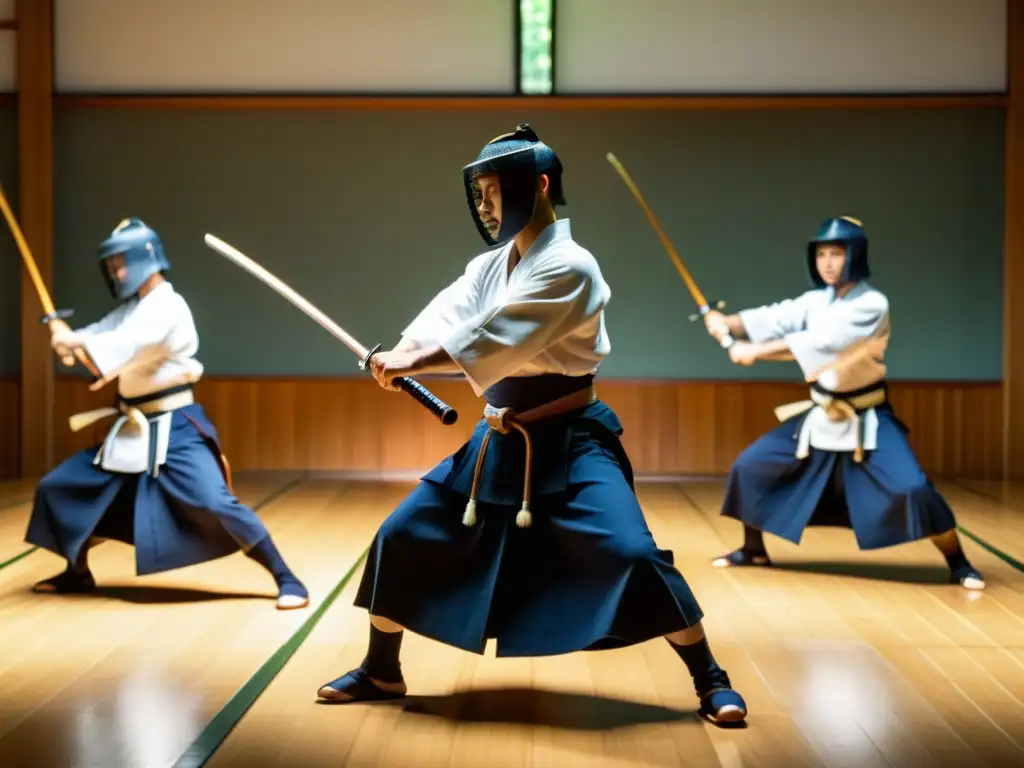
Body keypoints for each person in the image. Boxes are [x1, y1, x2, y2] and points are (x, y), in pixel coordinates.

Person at [316, 124, 748, 725]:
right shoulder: (490, 266)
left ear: (539, 185)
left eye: (496, 191)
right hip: (497, 437)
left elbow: (495, 340)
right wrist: (402, 352)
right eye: (482, 194)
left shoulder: (571, 266)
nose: (488, 206)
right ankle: (382, 669)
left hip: (570, 439)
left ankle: (710, 678)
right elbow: (447, 317)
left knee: (630, 553)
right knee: (401, 535)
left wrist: (413, 362)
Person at [24, 218, 310, 610]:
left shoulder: (168, 307)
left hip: (176, 426)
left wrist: (70, 339)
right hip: (132, 428)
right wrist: (67, 339)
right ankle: (77, 570)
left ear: (146, 257)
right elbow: (97, 338)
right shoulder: (134, 309)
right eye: (112, 266)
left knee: (214, 502)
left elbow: (116, 348)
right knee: (61, 487)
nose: (117, 272)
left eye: (121, 262)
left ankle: (286, 577)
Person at [704, 216, 984, 590]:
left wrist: (753, 351)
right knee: (752, 466)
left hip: (867, 415)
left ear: (855, 256)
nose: (828, 263)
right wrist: (727, 322)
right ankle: (753, 549)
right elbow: (773, 316)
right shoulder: (815, 300)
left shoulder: (872, 304)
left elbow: (823, 342)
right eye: (822, 254)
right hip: (820, 414)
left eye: (837, 253)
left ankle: (959, 562)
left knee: (911, 489)